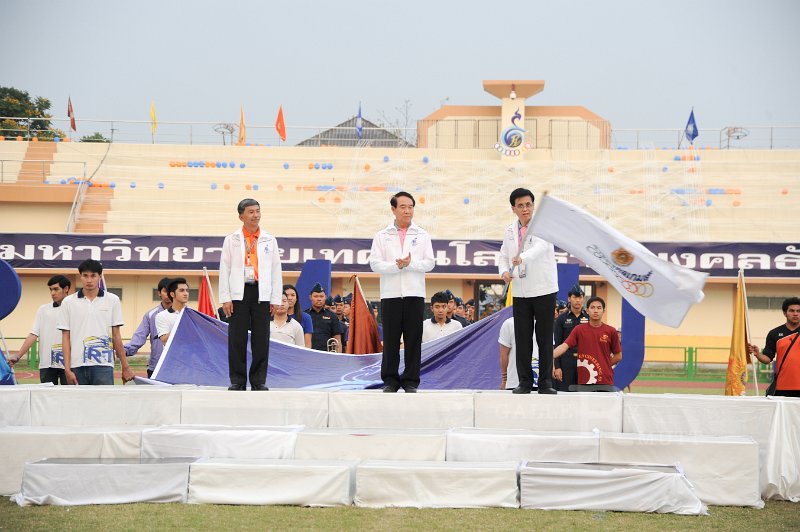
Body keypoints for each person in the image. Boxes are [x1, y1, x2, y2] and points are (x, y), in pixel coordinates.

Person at [370, 191, 435, 393]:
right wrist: (395, 267)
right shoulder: (382, 235)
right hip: (390, 295)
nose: (407, 211)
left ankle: (410, 381)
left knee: (413, 338)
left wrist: (410, 264)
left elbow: (430, 263)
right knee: (390, 338)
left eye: (410, 207)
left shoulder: (422, 235)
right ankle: (390, 380)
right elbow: (374, 264)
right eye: (403, 207)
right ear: (393, 209)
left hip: (414, 294)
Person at [219, 198, 283, 391]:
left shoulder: (269, 239)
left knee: (261, 339)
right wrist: (226, 298)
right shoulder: (232, 239)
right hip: (239, 292)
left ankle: (258, 380)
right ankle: (238, 380)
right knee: (236, 338)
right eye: (251, 212)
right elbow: (225, 268)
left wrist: (275, 298)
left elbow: (275, 270)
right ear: (241, 216)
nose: (255, 215)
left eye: (257, 211)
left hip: (261, 292)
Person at [499, 188, 559, 394]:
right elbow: (503, 256)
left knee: (544, 338)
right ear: (513, 208)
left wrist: (522, 258)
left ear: (533, 206)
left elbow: (541, 247)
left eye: (528, 204)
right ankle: (524, 382)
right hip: (521, 291)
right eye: (521, 205)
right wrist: (504, 272)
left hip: (543, 288)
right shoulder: (509, 231)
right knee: (522, 337)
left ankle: (545, 383)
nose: (525, 209)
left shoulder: (543, 227)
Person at [58, 259, 134, 385]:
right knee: (78, 404)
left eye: (93, 276)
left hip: (104, 364)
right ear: (80, 276)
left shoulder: (113, 300)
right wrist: (67, 368)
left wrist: (125, 367)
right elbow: (65, 337)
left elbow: (116, 336)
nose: (89, 280)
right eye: (85, 276)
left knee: (104, 404)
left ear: (99, 276)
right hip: (77, 365)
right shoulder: (68, 302)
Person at [8, 275, 71, 384]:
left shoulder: (75, 309)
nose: (52, 293)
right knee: (47, 399)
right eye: (51, 290)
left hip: (70, 364)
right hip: (47, 364)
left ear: (66, 289)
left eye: (56, 289)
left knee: (70, 398)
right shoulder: (43, 309)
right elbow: (33, 334)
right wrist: (18, 356)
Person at [553, 296, 622, 387]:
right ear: (587, 310)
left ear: (603, 311)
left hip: (605, 379)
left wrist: (603, 365)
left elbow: (618, 356)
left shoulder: (611, 331)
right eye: (592, 307)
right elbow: (564, 346)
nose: (596, 310)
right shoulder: (579, 330)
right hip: (585, 379)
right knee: (584, 401)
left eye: (599, 308)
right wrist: (549, 357)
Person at [749, 297, 800, 396]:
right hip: (782, 386)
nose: (795, 313)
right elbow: (767, 359)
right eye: (792, 311)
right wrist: (758, 354)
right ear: (785, 313)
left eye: (798, 311)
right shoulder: (774, 333)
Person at [124, 277, 172, 378]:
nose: (168, 294)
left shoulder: (185, 314)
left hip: (179, 369)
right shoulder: (150, 315)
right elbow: (139, 337)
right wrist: (124, 351)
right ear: (159, 293)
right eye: (165, 291)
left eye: (171, 291)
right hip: (156, 368)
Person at [553, 285, 589, 392]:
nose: (577, 300)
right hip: (566, 362)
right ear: (569, 299)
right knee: (565, 394)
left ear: (583, 298)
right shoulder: (561, 318)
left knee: (584, 395)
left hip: (585, 360)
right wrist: (557, 366)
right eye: (575, 297)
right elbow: (557, 343)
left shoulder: (588, 317)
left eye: (580, 297)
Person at [498, 317, 539, 391]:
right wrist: (504, 380)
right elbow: (504, 354)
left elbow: (550, 352)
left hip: (540, 382)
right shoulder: (509, 323)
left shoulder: (544, 323)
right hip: (515, 381)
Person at [305, 283, 342, 352]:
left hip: (326, 355)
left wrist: (337, 358)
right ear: (310, 297)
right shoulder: (304, 315)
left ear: (325, 297)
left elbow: (337, 340)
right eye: (315, 296)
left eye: (321, 296)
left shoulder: (332, 316)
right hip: (308, 354)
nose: (319, 299)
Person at [155, 278, 189, 346]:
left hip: (192, 355)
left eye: (187, 290)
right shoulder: (161, 316)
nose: (186, 293)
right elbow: (164, 340)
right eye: (181, 290)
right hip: (173, 355)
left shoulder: (193, 314)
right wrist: (180, 326)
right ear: (172, 294)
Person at [283, 284, 312, 348]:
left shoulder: (306, 318)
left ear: (296, 299)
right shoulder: (272, 317)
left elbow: (307, 344)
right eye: (287, 295)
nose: (290, 298)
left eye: (293, 295)